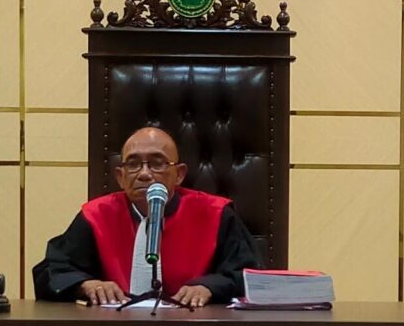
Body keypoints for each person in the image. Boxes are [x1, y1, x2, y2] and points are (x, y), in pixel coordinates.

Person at [33, 126, 261, 308]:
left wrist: (209, 287)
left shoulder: (215, 214)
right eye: (133, 164)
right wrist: (86, 285)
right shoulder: (97, 216)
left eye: (157, 163)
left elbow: (250, 276)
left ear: (179, 174)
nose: (144, 174)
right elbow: (50, 272)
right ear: (121, 177)